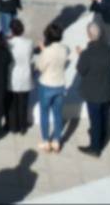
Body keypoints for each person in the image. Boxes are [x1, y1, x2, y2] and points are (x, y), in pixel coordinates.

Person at [76, 21, 110, 157]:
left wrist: (81, 55)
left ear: (89, 35)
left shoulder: (87, 54)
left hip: (94, 93)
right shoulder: (109, 49)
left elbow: (81, 70)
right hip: (107, 90)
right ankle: (101, 137)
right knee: (104, 116)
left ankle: (95, 148)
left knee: (96, 120)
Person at [33, 23, 70, 153]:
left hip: (46, 85)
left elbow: (40, 67)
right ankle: (57, 141)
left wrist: (43, 50)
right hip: (60, 84)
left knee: (44, 114)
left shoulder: (47, 51)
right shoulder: (64, 49)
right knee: (57, 114)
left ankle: (45, 141)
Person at [7, 19, 33, 135]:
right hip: (25, 75)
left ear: (11, 30)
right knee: (23, 103)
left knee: (12, 104)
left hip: (13, 75)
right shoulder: (29, 43)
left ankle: (13, 126)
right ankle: (23, 127)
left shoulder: (9, 43)